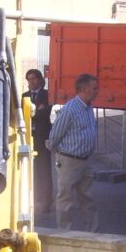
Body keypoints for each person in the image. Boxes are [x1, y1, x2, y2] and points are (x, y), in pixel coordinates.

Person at [47, 73, 99, 232]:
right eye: (94, 88)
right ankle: (64, 231)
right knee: (65, 199)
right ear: (83, 89)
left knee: (88, 199)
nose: (97, 91)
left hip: (85, 160)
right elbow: (55, 134)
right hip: (69, 160)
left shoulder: (88, 107)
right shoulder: (70, 109)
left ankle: (92, 232)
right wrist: (59, 155)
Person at [23, 68, 53, 213]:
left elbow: (44, 114)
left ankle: (46, 202)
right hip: (28, 138)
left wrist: (34, 113)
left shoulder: (47, 95)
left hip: (43, 139)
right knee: (29, 170)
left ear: (40, 79)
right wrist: (36, 112)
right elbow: (22, 116)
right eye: (28, 79)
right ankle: (32, 200)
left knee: (44, 170)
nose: (31, 82)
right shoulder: (24, 96)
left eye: (34, 78)